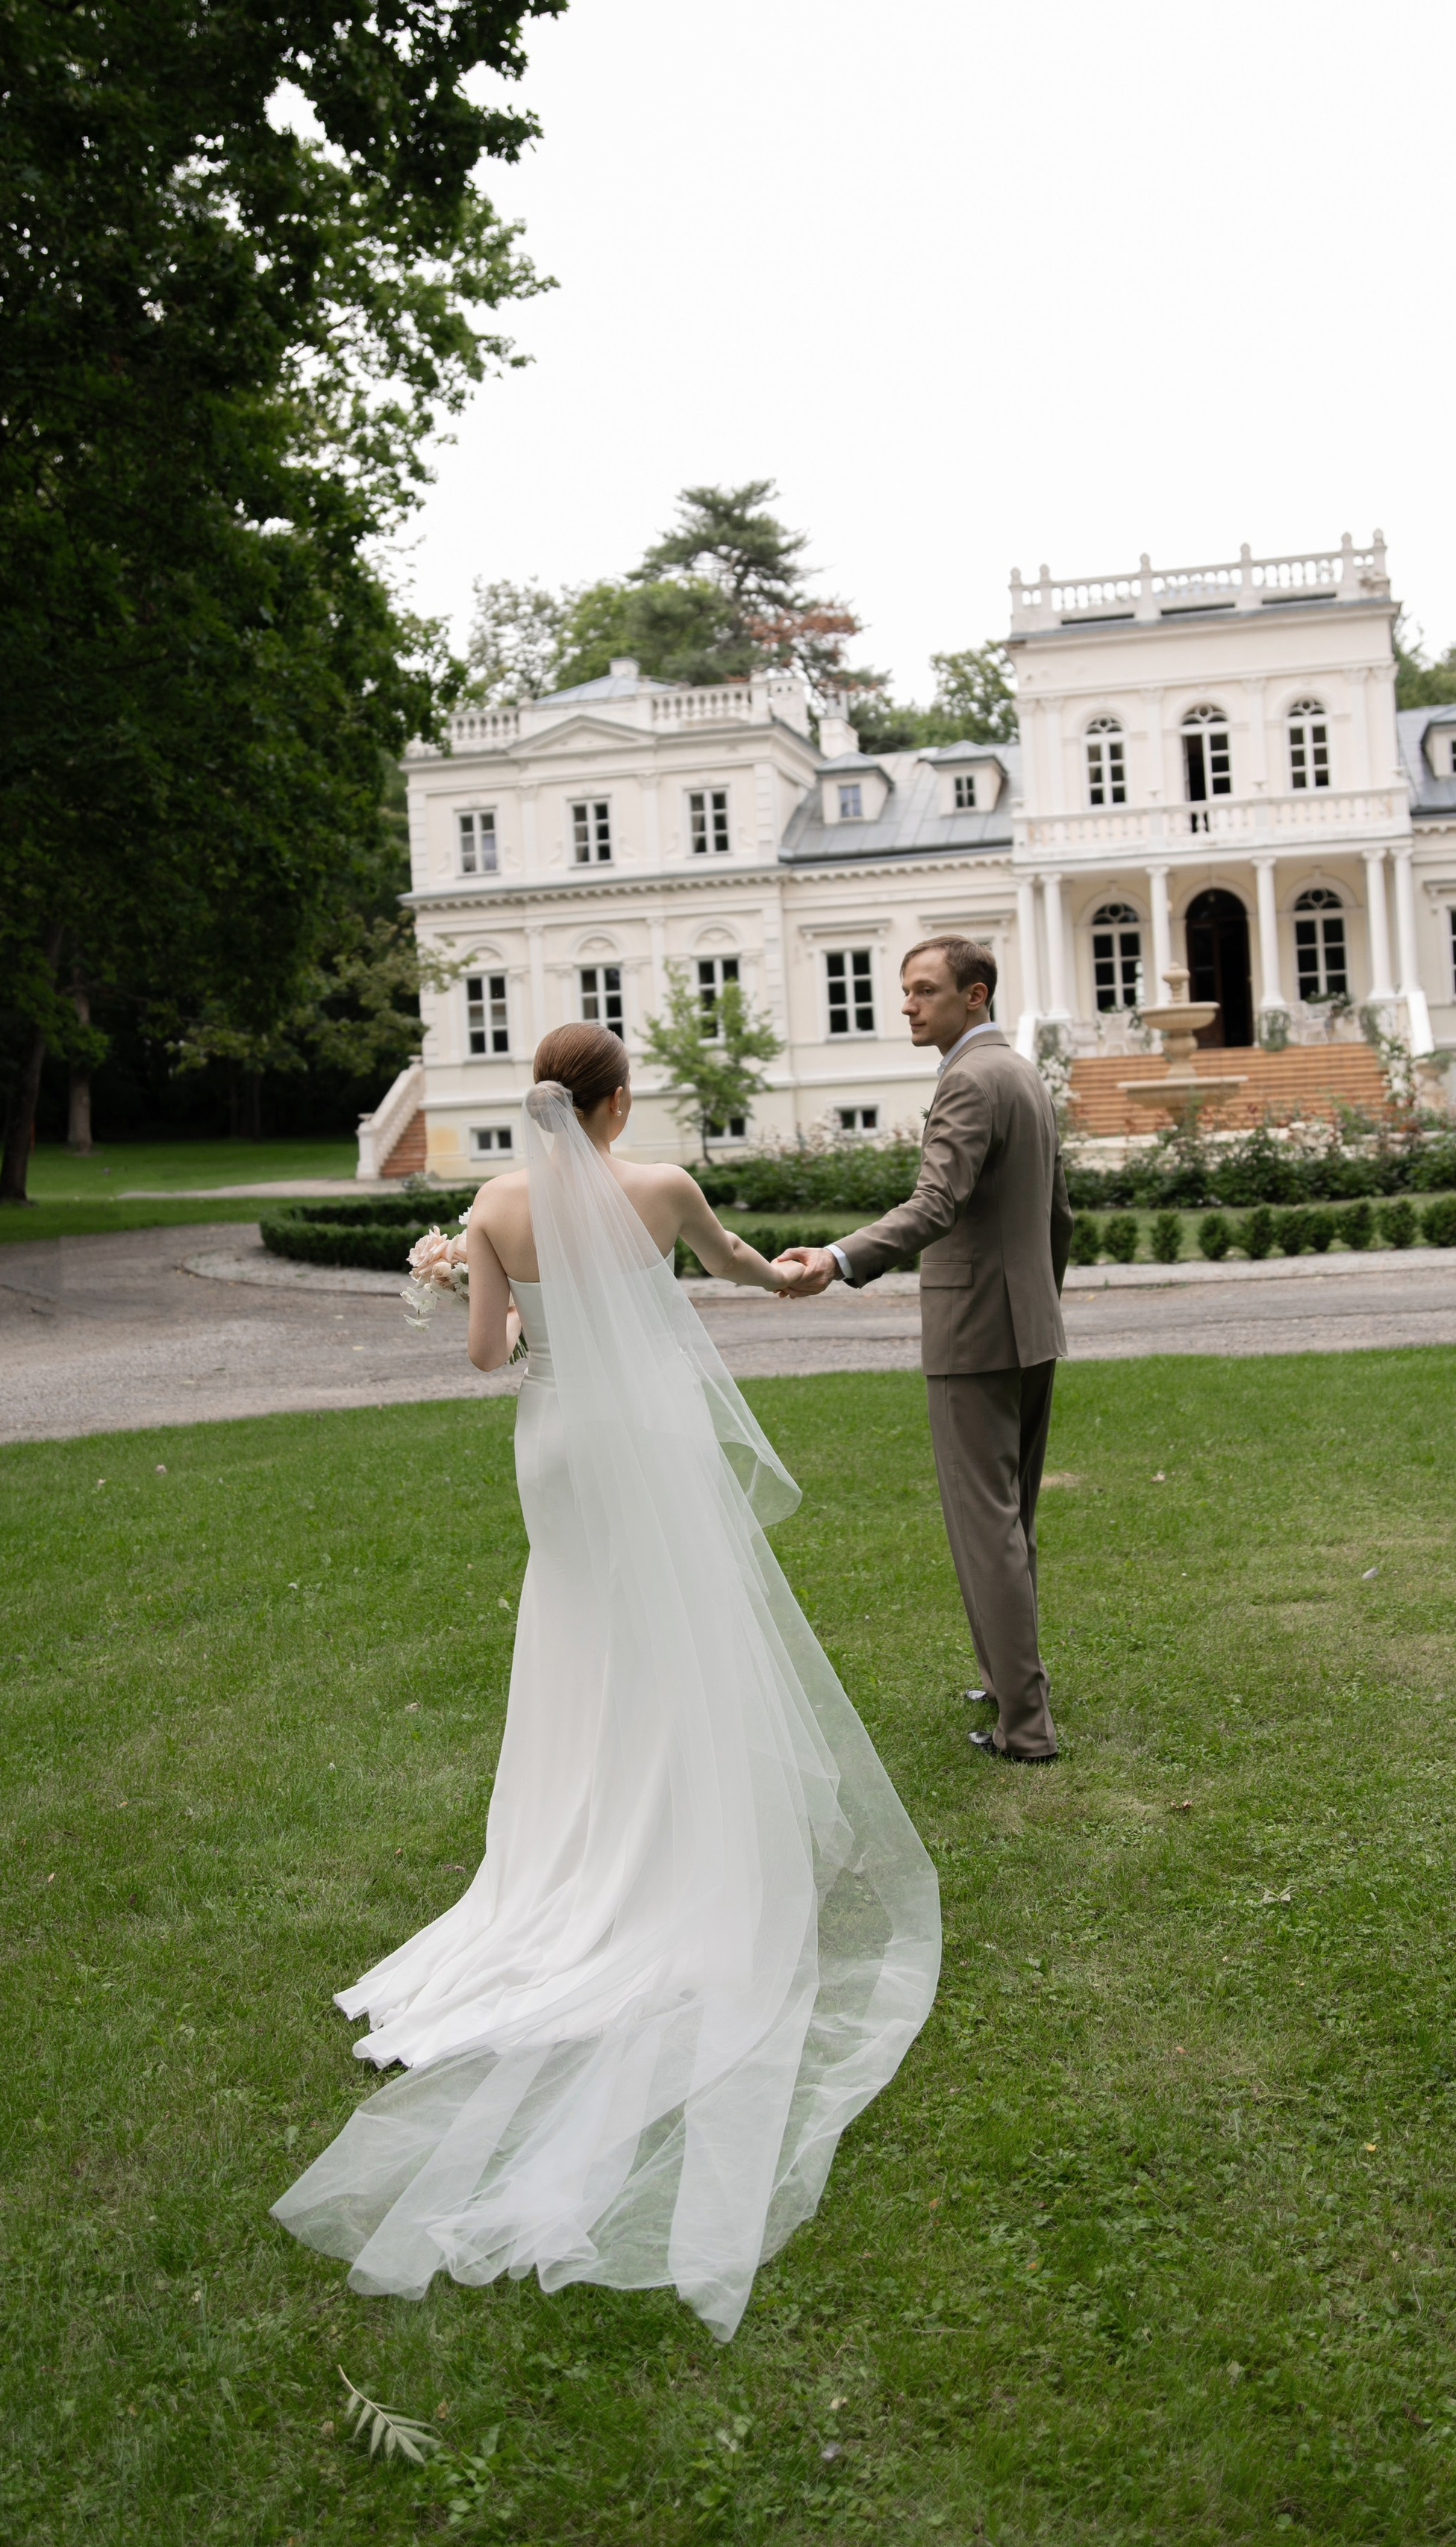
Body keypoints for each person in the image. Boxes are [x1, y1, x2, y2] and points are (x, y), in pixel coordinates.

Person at [272, 1021, 940, 2342]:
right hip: (651, 1434)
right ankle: (668, 1833)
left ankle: (563, 1856)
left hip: (560, 1437)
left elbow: (483, 1357)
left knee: (575, 1629)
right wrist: (806, 1271)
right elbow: (746, 1271)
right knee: (675, 1624)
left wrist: (485, 1279)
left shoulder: (497, 1203)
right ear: (618, 1099)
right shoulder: (665, 1187)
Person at [775, 936, 1072, 1763]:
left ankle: (1025, 1724)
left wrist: (837, 1258)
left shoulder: (971, 1079)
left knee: (986, 1527)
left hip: (975, 1329)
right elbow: (1059, 1215)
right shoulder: (1020, 1072)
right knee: (1010, 1520)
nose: (906, 1003)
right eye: (905, 990)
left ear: (973, 995)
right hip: (1027, 1325)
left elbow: (935, 1202)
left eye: (923, 990)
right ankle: (1004, 1678)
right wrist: (1039, 1301)